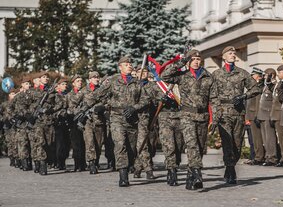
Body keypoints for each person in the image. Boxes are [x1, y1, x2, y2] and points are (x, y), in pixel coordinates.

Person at [77, 56, 150, 187]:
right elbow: (97, 94)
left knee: (131, 148)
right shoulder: (112, 80)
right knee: (120, 144)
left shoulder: (137, 82)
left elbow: (145, 100)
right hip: (116, 118)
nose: (129, 65)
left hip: (132, 120)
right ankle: (123, 176)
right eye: (126, 64)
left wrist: (134, 107)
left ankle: (128, 166)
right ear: (120, 67)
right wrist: (84, 107)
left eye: (130, 63)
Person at [161, 49, 217, 189]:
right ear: (189, 61)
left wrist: (215, 117)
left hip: (203, 116)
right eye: (193, 59)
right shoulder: (182, 75)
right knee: (192, 145)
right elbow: (165, 76)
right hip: (186, 116)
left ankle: (190, 178)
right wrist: (182, 61)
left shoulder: (208, 76)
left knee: (200, 147)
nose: (196, 62)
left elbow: (214, 99)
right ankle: (198, 174)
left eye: (198, 59)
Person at [212, 46, 261, 184]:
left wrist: (244, 95)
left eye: (234, 53)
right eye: (230, 53)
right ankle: (230, 169)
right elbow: (210, 93)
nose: (233, 55)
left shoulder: (242, 73)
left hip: (238, 112)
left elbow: (256, 88)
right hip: (223, 113)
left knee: (237, 143)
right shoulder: (216, 74)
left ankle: (230, 166)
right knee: (227, 142)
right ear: (224, 57)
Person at [257, 68, 278, 166]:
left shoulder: (274, 85)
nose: (264, 77)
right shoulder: (265, 85)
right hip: (262, 114)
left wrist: (269, 81)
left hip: (268, 114)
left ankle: (272, 157)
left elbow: (273, 98)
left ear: (272, 75)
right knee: (265, 138)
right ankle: (267, 156)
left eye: (266, 75)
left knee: (270, 138)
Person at [244, 67, 265, 165]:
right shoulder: (251, 87)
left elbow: (257, 103)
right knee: (253, 139)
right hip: (250, 116)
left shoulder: (258, 88)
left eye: (254, 75)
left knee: (257, 138)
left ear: (259, 77)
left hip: (255, 115)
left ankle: (259, 157)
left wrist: (256, 115)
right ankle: (256, 156)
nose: (251, 77)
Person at [66, 74, 87, 171]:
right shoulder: (69, 95)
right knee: (76, 144)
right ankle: (77, 164)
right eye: (78, 81)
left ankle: (83, 164)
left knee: (84, 143)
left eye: (81, 81)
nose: (80, 82)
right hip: (73, 121)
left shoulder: (85, 93)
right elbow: (67, 108)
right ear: (73, 83)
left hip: (84, 120)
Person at [271, 65, 283, 167]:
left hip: (281, 114)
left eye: (279, 72)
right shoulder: (278, 83)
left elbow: (282, 99)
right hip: (276, 114)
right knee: (280, 138)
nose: (278, 74)